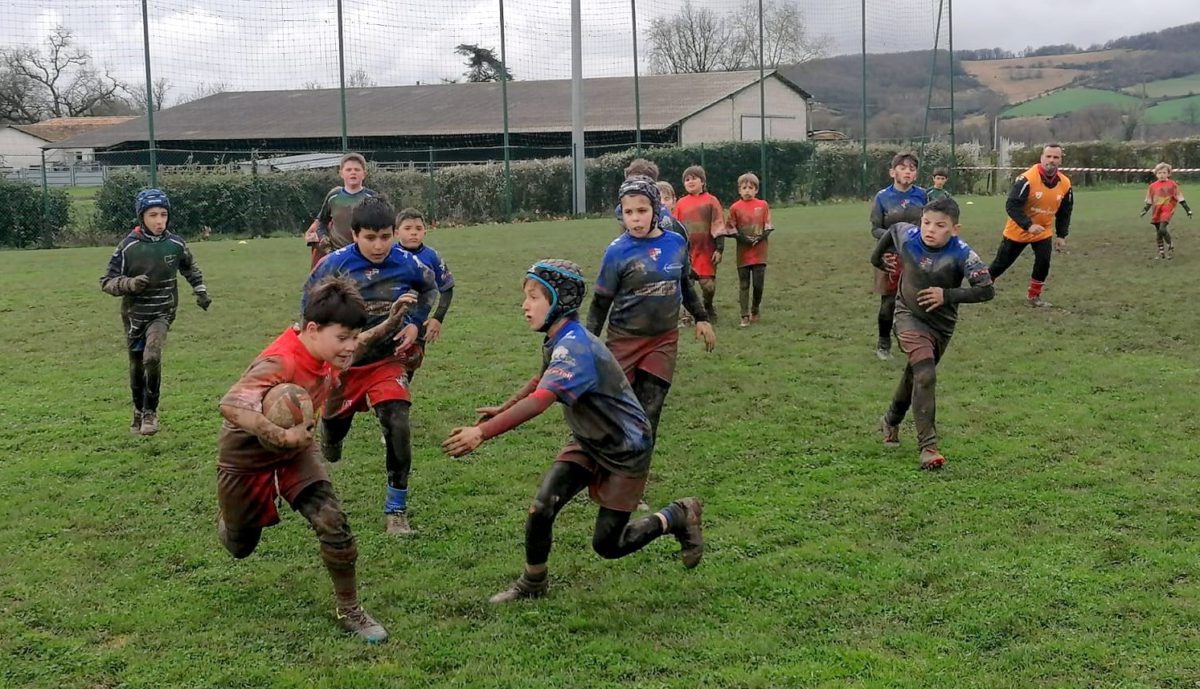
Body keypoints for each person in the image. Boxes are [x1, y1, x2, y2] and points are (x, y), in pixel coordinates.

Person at [442, 259, 705, 603]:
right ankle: (533, 582)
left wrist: (482, 433)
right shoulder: (557, 340)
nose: (525, 305)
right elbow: (541, 380)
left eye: (534, 297)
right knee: (542, 507)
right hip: (588, 439)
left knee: (608, 545)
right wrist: (504, 407)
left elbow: (540, 401)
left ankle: (678, 514)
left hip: (625, 448)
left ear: (558, 301)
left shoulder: (574, 347)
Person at [216, 277, 392, 643]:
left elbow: (362, 344)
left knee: (333, 522)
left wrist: (393, 322)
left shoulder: (329, 349)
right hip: (246, 457)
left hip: (296, 451)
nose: (349, 346)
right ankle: (228, 520)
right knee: (240, 546)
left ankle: (350, 610)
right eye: (342, 337)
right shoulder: (280, 360)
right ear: (312, 329)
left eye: (353, 336)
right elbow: (230, 405)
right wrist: (280, 434)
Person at [305, 196, 437, 536]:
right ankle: (331, 436)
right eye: (370, 237)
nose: (378, 245)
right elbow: (308, 308)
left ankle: (396, 510)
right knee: (332, 436)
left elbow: (429, 289)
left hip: (386, 361)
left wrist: (416, 323)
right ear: (355, 235)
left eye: (385, 236)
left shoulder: (409, 263)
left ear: (393, 233)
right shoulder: (333, 265)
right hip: (344, 367)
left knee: (398, 422)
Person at [871, 198, 994, 470]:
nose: (930, 229)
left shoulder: (963, 253)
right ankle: (928, 447)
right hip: (907, 316)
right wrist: (877, 259)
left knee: (916, 373)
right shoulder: (908, 235)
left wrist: (947, 295)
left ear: (955, 229)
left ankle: (890, 419)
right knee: (926, 374)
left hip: (941, 326)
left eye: (940, 225)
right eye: (926, 222)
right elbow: (892, 230)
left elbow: (986, 289)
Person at [101, 188, 210, 436]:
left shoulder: (175, 244)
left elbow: (190, 268)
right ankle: (138, 411)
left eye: (163, 214)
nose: (159, 220)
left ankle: (151, 412)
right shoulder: (128, 247)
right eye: (153, 215)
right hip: (133, 316)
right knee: (137, 365)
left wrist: (201, 292)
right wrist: (129, 284)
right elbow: (106, 281)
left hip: (162, 312)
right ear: (142, 217)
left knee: (152, 356)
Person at [987, 143, 1074, 308]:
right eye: (1048, 156)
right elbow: (1012, 205)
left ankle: (1034, 297)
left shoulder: (1065, 183)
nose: (1051, 160)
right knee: (1001, 263)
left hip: (1043, 231)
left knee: (1043, 262)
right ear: (1041, 158)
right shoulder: (1027, 179)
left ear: (1060, 160)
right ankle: (982, 286)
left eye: (1056, 157)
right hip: (1018, 230)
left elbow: (1065, 211)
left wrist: (1062, 235)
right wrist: (1028, 225)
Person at [870, 152, 927, 360]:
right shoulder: (882, 197)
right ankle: (883, 343)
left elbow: (928, 223)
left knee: (917, 301)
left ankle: (916, 342)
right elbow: (875, 228)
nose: (907, 172)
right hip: (890, 257)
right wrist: (894, 238)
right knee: (889, 303)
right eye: (903, 168)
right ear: (892, 172)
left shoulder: (922, 196)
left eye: (912, 169)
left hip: (916, 256)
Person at [394, 207, 454, 380]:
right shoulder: (389, 256)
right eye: (408, 228)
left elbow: (447, 288)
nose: (413, 233)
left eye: (418, 229)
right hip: (390, 323)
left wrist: (438, 318)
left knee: (407, 372)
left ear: (425, 232)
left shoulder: (431, 257)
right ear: (397, 232)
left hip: (418, 326)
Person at [674, 165, 732, 322]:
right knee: (687, 284)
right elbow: (675, 228)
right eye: (687, 179)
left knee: (708, 286)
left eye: (694, 178)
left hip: (706, 251)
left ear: (702, 182)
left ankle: (708, 306)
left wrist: (719, 249)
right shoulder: (680, 203)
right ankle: (689, 314)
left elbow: (719, 225)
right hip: (687, 253)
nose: (690, 181)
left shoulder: (711, 201)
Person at [305, 152, 376, 268]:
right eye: (348, 170)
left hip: (363, 255)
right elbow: (322, 221)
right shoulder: (333, 196)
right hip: (336, 254)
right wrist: (323, 239)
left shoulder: (372, 198)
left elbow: (380, 225)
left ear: (364, 174)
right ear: (341, 173)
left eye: (357, 170)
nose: (353, 172)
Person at [726, 172, 774, 327]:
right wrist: (743, 239)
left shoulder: (763, 205)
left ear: (756, 190)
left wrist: (761, 237)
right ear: (739, 190)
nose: (747, 190)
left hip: (760, 252)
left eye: (750, 187)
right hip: (743, 253)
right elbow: (730, 228)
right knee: (744, 283)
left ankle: (755, 309)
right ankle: (744, 315)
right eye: (744, 187)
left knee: (758, 284)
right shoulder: (734, 208)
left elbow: (768, 225)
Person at [1141, 162, 1192, 259]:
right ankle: (1161, 252)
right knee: (1159, 232)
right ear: (1156, 174)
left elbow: (1179, 197)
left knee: (1162, 228)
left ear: (1168, 174)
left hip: (1168, 209)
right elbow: (1149, 200)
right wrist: (1145, 210)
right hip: (1156, 210)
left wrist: (1187, 209)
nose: (1162, 175)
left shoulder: (1172, 184)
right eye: (1159, 173)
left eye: (1164, 172)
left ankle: (1170, 245)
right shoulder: (1152, 186)